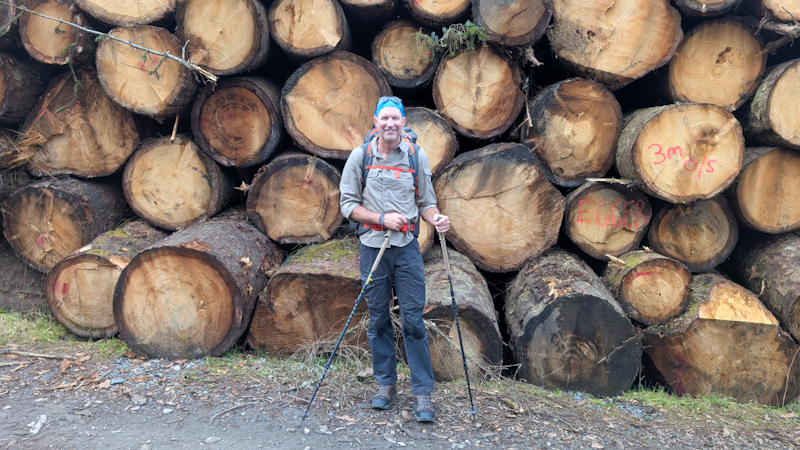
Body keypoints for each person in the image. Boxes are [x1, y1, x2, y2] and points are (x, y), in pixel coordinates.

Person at [339, 96, 450, 422]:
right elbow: (348, 205)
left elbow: (426, 203)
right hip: (372, 248)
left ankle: (422, 393)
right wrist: (380, 218)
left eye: (395, 118)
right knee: (378, 319)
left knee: (413, 320)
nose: (390, 124)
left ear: (403, 122)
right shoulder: (360, 156)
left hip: (405, 250)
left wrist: (436, 219)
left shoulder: (416, 156)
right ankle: (386, 384)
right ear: (375, 122)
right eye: (384, 118)